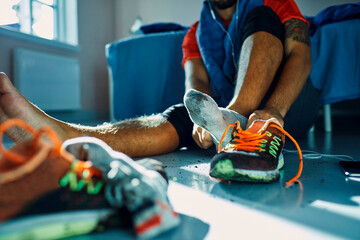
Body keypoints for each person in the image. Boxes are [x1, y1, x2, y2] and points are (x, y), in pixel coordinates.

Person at [0, 0, 320, 183]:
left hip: (285, 108)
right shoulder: (194, 35)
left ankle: (229, 121)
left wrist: (274, 109)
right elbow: (196, 87)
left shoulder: (275, 3)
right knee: (180, 115)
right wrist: (200, 119)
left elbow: (301, 56)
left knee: (262, 18)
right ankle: (63, 137)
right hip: (221, 119)